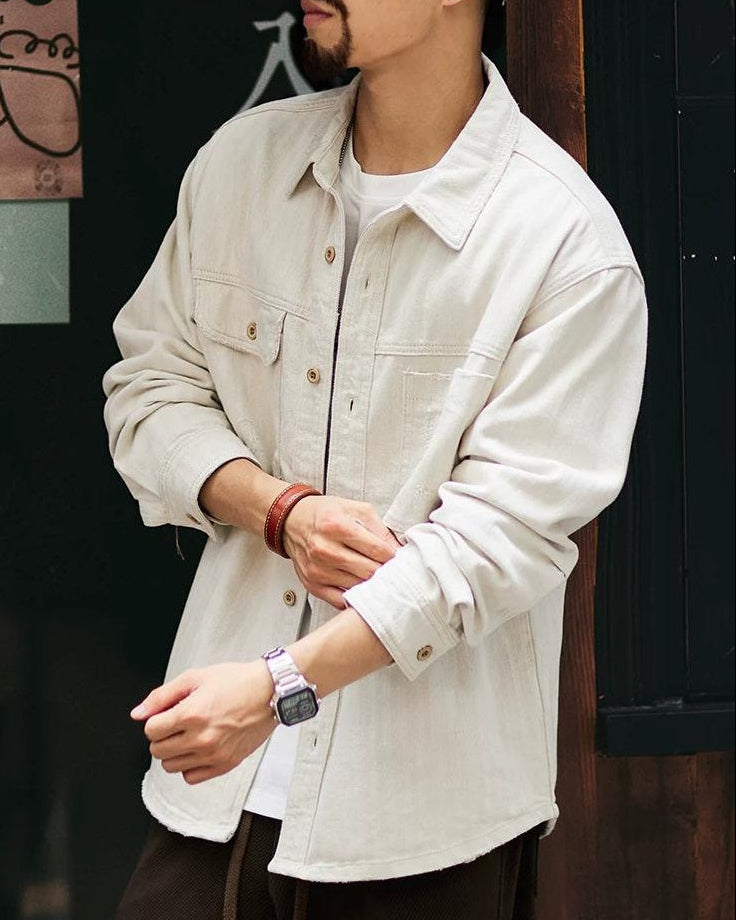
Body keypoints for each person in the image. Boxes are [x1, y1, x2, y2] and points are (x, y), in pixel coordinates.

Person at [103, 0, 647, 917]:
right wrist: (278, 510)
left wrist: (275, 688)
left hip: (420, 823)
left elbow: (496, 543)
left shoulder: (564, 245)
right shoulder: (240, 166)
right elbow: (149, 389)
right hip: (214, 795)